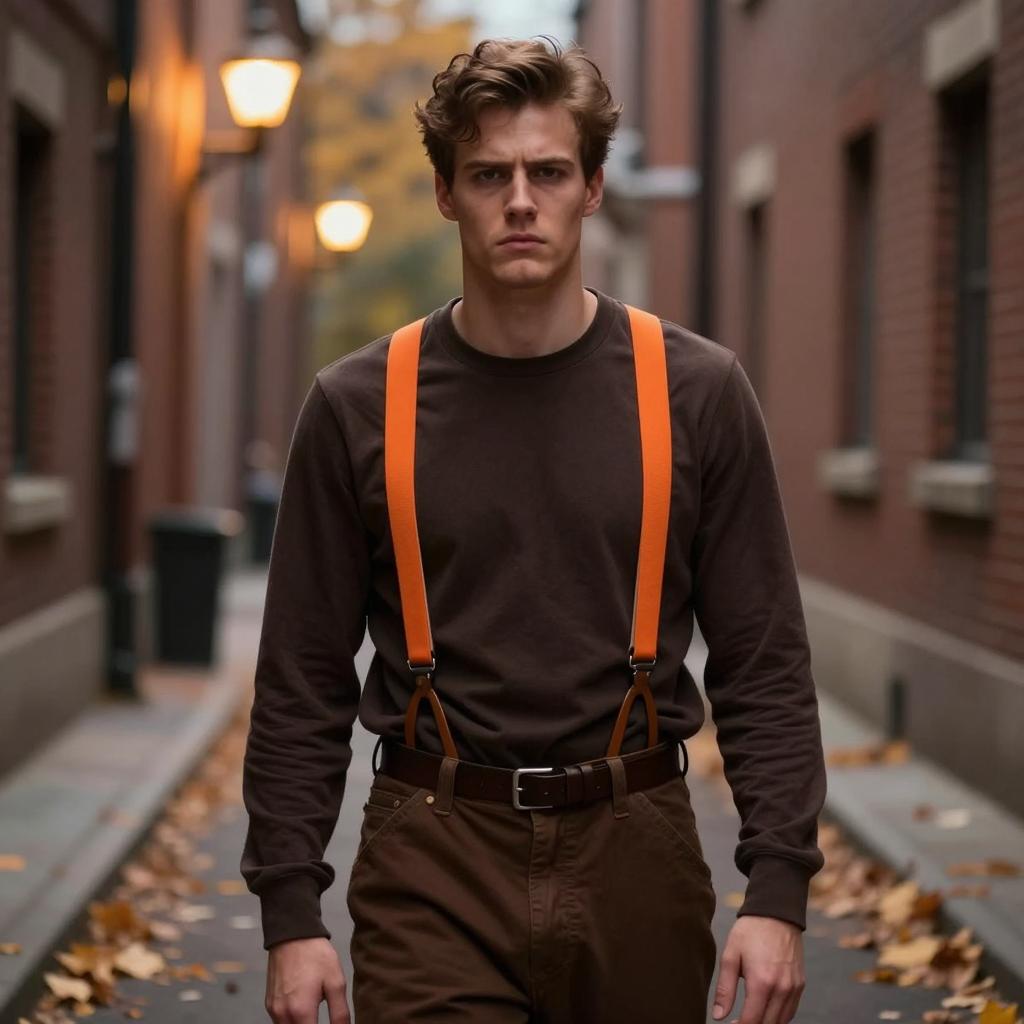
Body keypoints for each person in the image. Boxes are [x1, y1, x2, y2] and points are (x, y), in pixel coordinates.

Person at [240, 35, 827, 1024]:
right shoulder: (356, 406)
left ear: (593, 186)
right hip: (433, 850)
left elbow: (762, 660)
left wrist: (778, 892)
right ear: (445, 193)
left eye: (548, 171)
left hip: (636, 846)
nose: (520, 200)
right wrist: (291, 913)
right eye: (488, 174)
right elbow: (300, 676)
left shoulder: (696, 393)